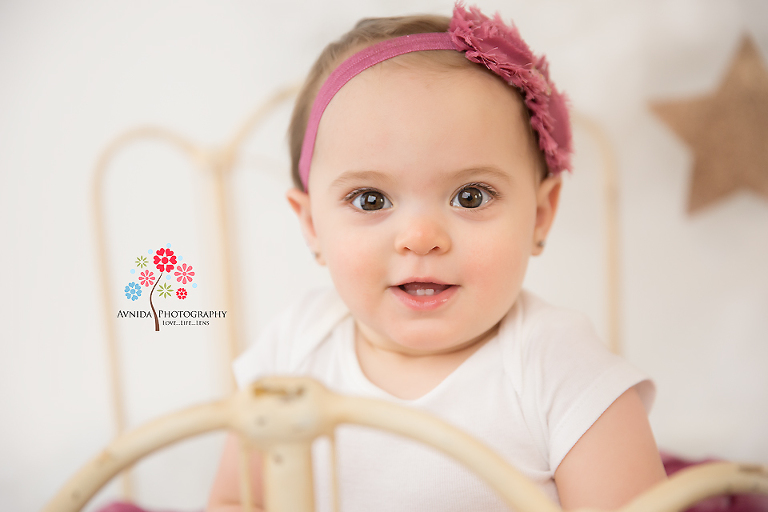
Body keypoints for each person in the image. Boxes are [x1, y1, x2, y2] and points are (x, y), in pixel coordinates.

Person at [207, 4, 666, 511]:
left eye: (471, 196)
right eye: (370, 200)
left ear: (539, 215)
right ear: (312, 225)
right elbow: (235, 500)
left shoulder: (560, 370)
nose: (421, 239)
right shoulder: (291, 351)